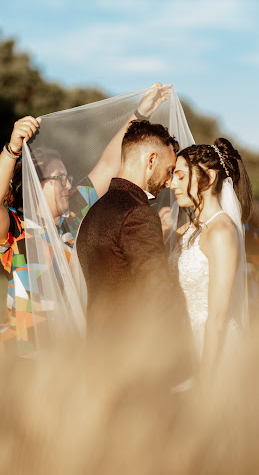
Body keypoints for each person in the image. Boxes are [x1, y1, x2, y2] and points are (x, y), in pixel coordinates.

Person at [0, 83, 172, 356]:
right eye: (60, 178)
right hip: (30, 355)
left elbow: (106, 165)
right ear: (37, 185)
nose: (69, 184)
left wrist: (139, 113)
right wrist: (11, 150)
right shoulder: (16, 229)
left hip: (73, 351)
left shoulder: (72, 216)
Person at [76, 119, 180, 338]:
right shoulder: (138, 213)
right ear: (152, 160)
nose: (170, 182)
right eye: (170, 170)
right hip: (130, 351)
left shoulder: (94, 212)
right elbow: (157, 295)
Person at [169, 138, 252, 381]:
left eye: (181, 177)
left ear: (210, 178)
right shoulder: (185, 231)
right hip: (186, 347)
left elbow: (218, 317)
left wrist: (205, 378)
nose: (173, 184)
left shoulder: (222, 233)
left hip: (216, 353)